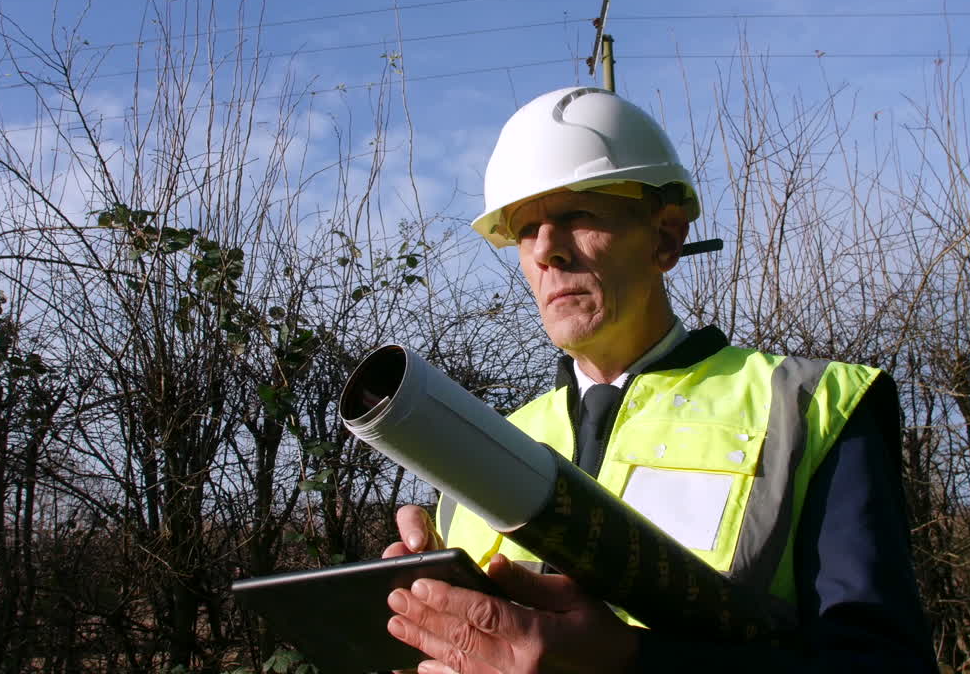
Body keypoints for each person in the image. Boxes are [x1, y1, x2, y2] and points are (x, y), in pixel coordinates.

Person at [381, 86, 938, 673]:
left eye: (578, 214)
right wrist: (420, 624)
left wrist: (629, 662)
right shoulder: (479, 444)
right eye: (525, 229)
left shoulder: (808, 406)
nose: (547, 251)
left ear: (666, 238)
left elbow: (884, 664)